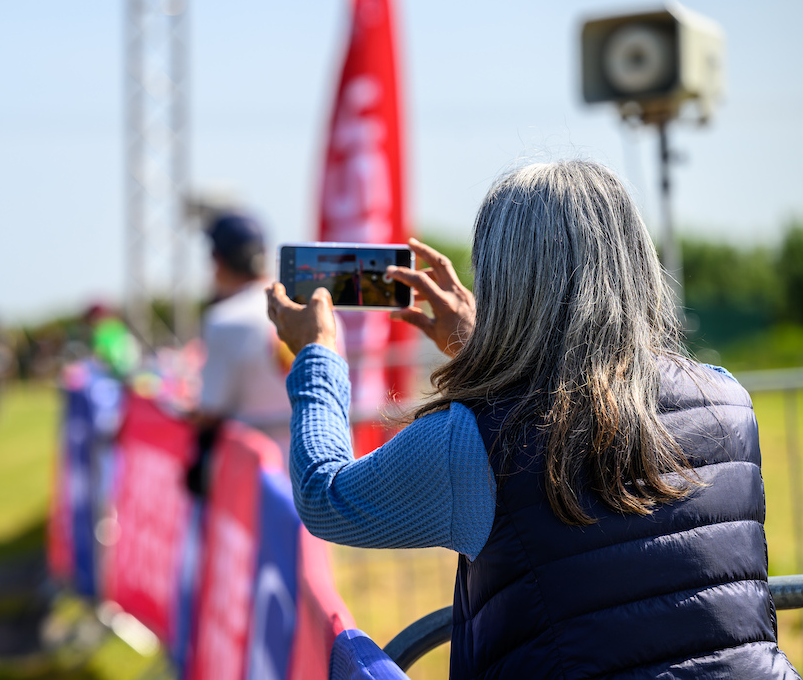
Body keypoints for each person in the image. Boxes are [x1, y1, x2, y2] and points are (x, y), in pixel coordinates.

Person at [267, 160, 799, 678]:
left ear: (502, 281)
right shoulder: (727, 398)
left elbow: (326, 497)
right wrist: (483, 347)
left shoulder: (475, 439)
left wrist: (317, 356)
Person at [192, 210, 298, 470]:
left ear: (217, 261)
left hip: (257, 481)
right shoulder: (321, 312)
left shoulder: (224, 320)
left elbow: (211, 411)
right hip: (322, 475)